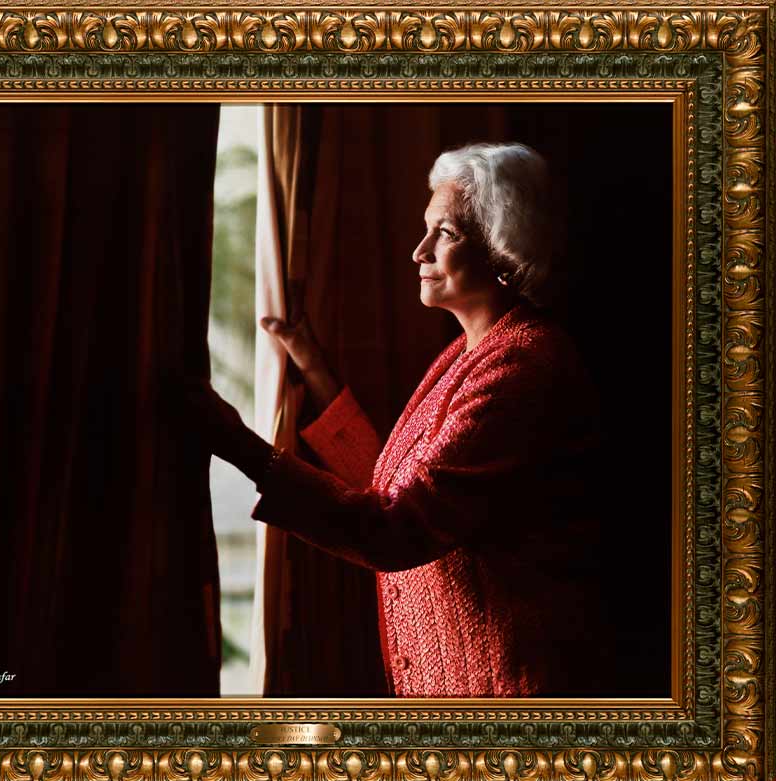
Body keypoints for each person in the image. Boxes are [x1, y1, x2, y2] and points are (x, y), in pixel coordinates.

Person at [191, 142, 606, 698]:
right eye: (425, 228)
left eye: (447, 234)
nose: (419, 251)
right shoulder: (470, 351)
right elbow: (393, 482)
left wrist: (239, 445)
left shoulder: (524, 366)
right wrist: (315, 372)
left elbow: (399, 528)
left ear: (506, 252)